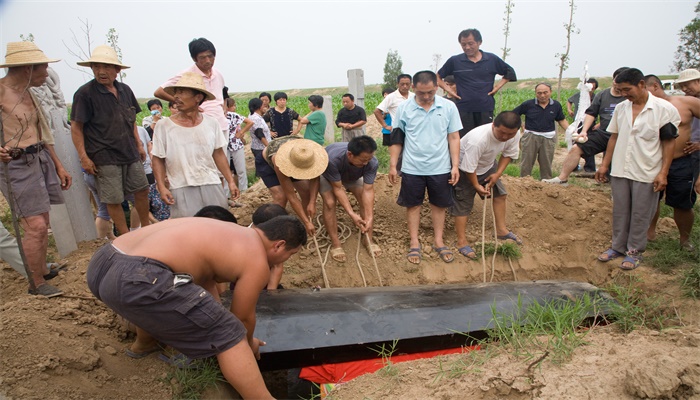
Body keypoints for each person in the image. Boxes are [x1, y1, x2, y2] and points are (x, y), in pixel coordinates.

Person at [86, 214, 307, 400]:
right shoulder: (257, 260)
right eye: (291, 254)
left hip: (104, 265)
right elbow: (242, 318)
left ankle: (144, 345)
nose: (286, 260)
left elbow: (205, 286)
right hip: (137, 277)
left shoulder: (230, 233)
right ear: (279, 245)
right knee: (230, 331)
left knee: (166, 300)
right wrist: (248, 344)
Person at [0, 42, 72, 297]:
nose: (47, 73)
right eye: (44, 68)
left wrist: (58, 164)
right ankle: (37, 283)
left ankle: (41, 267)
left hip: (39, 158)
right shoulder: (0, 91)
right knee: (36, 226)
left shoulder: (30, 93)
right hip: (15, 165)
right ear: (28, 68)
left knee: (44, 219)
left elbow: (42, 132)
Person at [594, 68, 681, 270]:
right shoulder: (622, 108)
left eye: (627, 89)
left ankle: (634, 251)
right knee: (620, 210)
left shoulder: (663, 109)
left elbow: (669, 143)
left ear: (641, 85)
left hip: (647, 170)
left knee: (641, 213)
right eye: (620, 90)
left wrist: (663, 173)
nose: (624, 94)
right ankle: (617, 247)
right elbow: (614, 137)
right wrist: (605, 164)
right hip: (621, 169)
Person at [71, 45, 151, 237]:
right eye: (96, 67)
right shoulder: (85, 94)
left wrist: (139, 144)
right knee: (113, 199)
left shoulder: (125, 90)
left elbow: (131, 121)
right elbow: (76, 127)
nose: (101, 71)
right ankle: (125, 236)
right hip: (104, 155)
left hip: (129, 151)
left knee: (142, 190)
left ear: (117, 70)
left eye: (106, 67)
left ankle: (148, 229)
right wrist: (83, 157)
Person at [389, 70, 461, 264]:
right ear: (414, 88)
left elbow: (454, 137)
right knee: (413, 204)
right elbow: (397, 139)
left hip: (441, 166)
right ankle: (414, 242)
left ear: (436, 88)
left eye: (431, 92)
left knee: (439, 204)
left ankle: (439, 240)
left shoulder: (448, 107)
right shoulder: (404, 108)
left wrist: (455, 166)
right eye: (422, 93)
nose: (427, 97)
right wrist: (393, 165)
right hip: (413, 167)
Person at [151, 72, 238, 218]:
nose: (176, 97)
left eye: (182, 92)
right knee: (188, 231)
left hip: (211, 182)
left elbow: (218, 154)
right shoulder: (164, 126)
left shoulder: (211, 123)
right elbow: (158, 159)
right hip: (181, 186)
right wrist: (161, 186)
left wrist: (230, 181)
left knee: (218, 226)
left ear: (198, 97)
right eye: (176, 92)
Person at [452, 112, 523, 259]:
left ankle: (501, 230)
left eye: (509, 134)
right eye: (501, 132)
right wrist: (476, 185)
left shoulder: (514, 134)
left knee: (500, 194)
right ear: (493, 125)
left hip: (488, 165)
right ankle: (461, 241)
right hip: (463, 168)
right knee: (463, 202)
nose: (505, 137)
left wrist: (497, 174)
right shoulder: (478, 139)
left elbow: (508, 154)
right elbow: (469, 168)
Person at [543, 67, 628, 185]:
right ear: (614, 80)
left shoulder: (629, 97)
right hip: (603, 133)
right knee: (576, 148)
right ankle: (562, 178)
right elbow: (591, 113)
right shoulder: (603, 95)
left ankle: (616, 188)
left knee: (618, 161)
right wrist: (584, 131)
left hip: (623, 135)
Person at [644, 75, 700, 251]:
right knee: (651, 199)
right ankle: (649, 233)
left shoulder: (686, 102)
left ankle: (685, 239)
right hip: (653, 161)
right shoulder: (643, 108)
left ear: (654, 86)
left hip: (681, 161)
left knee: (682, 202)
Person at [437, 28, 517, 137]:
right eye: (463, 44)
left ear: (479, 42)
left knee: (484, 138)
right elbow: (437, 77)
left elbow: (509, 72)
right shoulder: (455, 61)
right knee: (464, 139)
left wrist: (497, 87)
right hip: (463, 108)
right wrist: (449, 90)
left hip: (485, 107)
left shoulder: (491, 59)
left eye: (470, 43)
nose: (467, 47)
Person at [321, 136, 380, 263]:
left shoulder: (372, 162)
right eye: (363, 160)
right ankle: (336, 244)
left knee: (363, 198)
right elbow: (338, 188)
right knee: (330, 203)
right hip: (329, 175)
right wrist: (352, 214)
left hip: (352, 175)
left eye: (368, 159)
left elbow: (368, 190)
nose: (366, 163)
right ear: (350, 154)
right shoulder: (333, 160)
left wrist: (369, 217)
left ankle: (368, 239)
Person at [154, 38, 227, 137]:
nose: (208, 61)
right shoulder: (187, 75)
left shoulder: (218, 74)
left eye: (210, 56)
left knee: (221, 152)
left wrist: (224, 110)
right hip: (199, 127)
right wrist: (181, 103)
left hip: (221, 126)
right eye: (202, 57)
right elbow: (159, 92)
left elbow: (222, 96)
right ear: (194, 58)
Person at [261, 136, 328, 235]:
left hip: (296, 160)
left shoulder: (311, 156)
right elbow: (291, 196)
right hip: (270, 163)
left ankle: (307, 226)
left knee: (306, 192)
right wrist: (306, 221)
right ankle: (271, 230)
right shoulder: (279, 162)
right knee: (281, 197)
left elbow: (315, 179)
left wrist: (312, 202)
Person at [511, 83, 569, 180]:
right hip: (531, 136)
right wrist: (521, 124)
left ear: (550, 92)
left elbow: (561, 120)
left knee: (546, 163)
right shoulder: (528, 104)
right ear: (535, 93)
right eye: (539, 93)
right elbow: (514, 114)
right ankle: (524, 182)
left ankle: (547, 183)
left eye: (545, 92)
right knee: (526, 163)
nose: (542, 95)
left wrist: (571, 131)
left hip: (548, 138)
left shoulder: (556, 105)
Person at [251, 203, 289, 289]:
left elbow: (277, 265)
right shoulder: (246, 241)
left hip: (265, 279)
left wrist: (271, 294)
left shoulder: (276, 237)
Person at [567, 78, 599, 172]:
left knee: (588, 145)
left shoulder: (597, 98)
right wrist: (569, 110)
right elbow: (569, 100)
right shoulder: (578, 96)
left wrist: (599, 124)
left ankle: (590, 167)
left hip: (590, 125)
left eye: (592, 87)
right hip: (577, 124)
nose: (590, 88)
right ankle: (574, 167)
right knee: (574, 145)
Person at [225, 97, 253, 194]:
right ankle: (227, 194)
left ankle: (244, 191)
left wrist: (241, 133)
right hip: (224, 146)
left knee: (240, 170)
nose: (234, 107)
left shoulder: (233, 116)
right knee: (225, 171)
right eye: (232, 105)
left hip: (235, 144)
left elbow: (250, 122)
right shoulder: (218, 117)